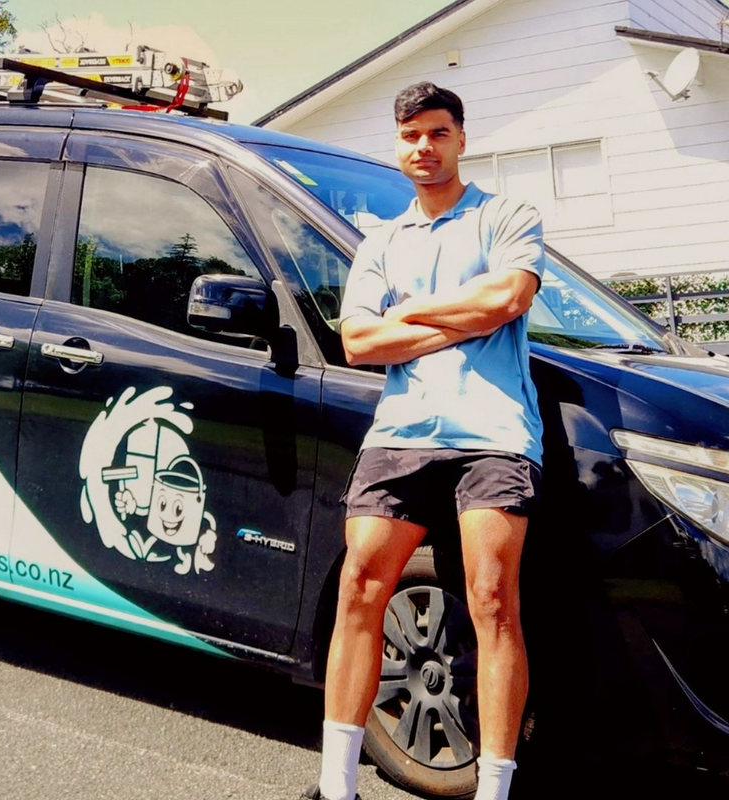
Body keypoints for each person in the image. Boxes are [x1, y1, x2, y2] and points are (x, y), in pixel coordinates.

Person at [302, 82, 544, 800]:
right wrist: (461, 319)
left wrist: (411, 316)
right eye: (410, 136)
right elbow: (357, 341)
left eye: (437, 133)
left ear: (461, 139)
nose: (423, 147)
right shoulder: (381, 239)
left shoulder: (506, 215)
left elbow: (509, 299)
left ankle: (495, 789)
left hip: (495, 434)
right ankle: (336, 784)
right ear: (397, 143)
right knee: (359, 589)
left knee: (493, 600)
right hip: (401, 435)